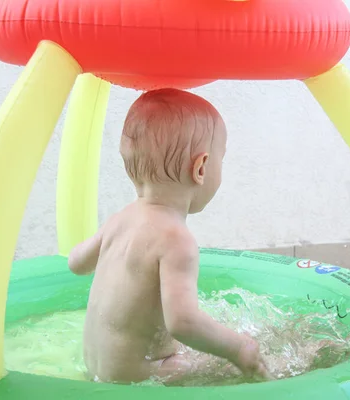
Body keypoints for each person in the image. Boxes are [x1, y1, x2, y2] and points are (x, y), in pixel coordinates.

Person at [68, 88, 272, 385]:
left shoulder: (119, 219)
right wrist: (238, 347)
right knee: (209, 366)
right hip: (135, 378)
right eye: (221, 159)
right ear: (201, 168)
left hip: (95, 366)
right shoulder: (177, 240)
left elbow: (76, 263)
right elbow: (183, 322)